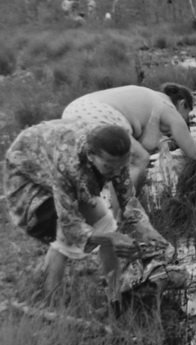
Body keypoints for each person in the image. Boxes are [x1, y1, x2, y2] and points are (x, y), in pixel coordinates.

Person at [3, 121, 170, 296]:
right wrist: (110, 238)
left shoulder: (114, 158)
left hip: (48, 162)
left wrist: (147, 230)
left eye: (121, 167)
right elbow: (70, 225)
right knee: (62, 236)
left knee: (105, 222)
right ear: (91, 156)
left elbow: (127, 200)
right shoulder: (69, 164)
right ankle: (53, 302)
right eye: (109, 167)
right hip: (25, 183)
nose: (116, 173)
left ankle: (115, 294)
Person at [62, 84, 196, 192]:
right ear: (182, 104)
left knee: (94, 172)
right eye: (187, 115)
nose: (186, 122)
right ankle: (123, 218)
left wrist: (163, 144)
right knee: (139, 160)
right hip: (99, 115)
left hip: (73, 111)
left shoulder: (151, 99)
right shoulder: (169, 110)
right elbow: (195, 153)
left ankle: (99, 216)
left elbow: (142, 144)